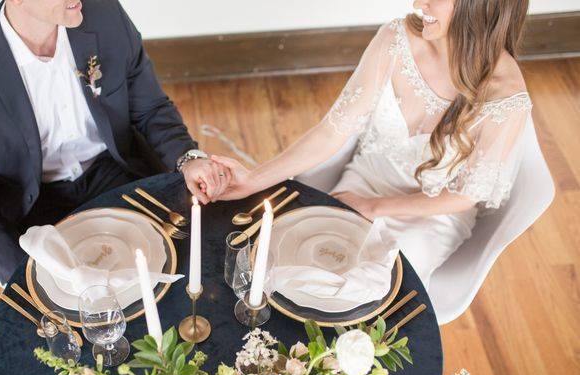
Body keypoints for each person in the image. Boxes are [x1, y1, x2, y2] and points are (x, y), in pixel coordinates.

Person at [211, 0, 532, 287]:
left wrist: (374, 208)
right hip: (365, 180)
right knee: (296, 262)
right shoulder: (396, 39)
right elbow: (331, 131)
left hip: (431, 215)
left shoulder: (506, 95)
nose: (419, 3)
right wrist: (253, 179)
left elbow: (464, 196)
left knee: (377, 283)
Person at [0, 0, 228, 284]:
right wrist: (19, 270)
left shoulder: (104, 14)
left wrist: (189, 159)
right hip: (31, 203)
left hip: (117, 171)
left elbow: (150, 108)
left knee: (192, 260)